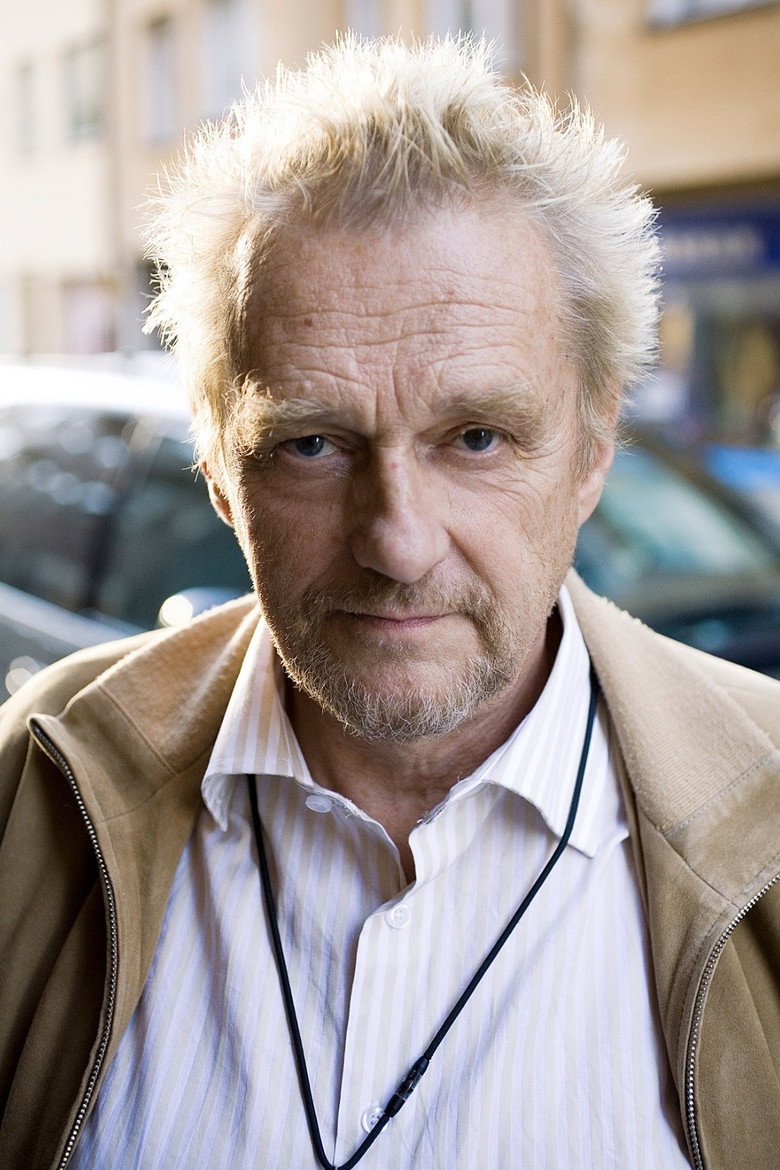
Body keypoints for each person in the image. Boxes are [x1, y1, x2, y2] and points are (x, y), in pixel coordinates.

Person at [0, 35, 777, 1170]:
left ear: (594, 444)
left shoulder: (767, 817)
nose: (399, 545)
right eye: (312, 445)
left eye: (477, 437)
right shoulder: (30, 788)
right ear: (217, 469)